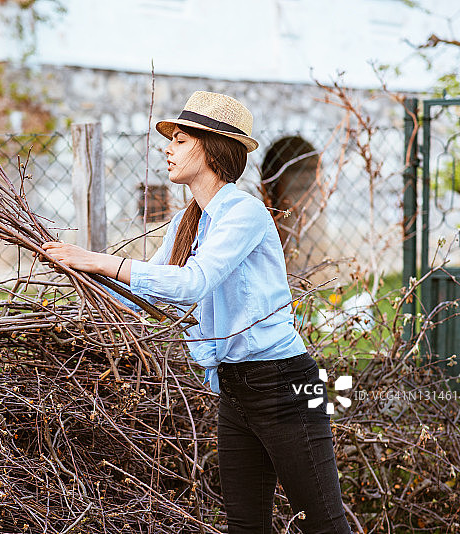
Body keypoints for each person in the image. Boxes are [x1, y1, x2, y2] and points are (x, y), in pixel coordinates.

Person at [42, 91, 353, 534]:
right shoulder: (186, 222)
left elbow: (193, 282)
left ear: (212, 149)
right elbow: (144, 294)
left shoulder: (244, 213)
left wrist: (99, 260)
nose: (167, 149)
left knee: (324, 524)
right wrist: (77, 273)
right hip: (234, 387)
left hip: (285, 383)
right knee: (245, 526)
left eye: (180, 140)